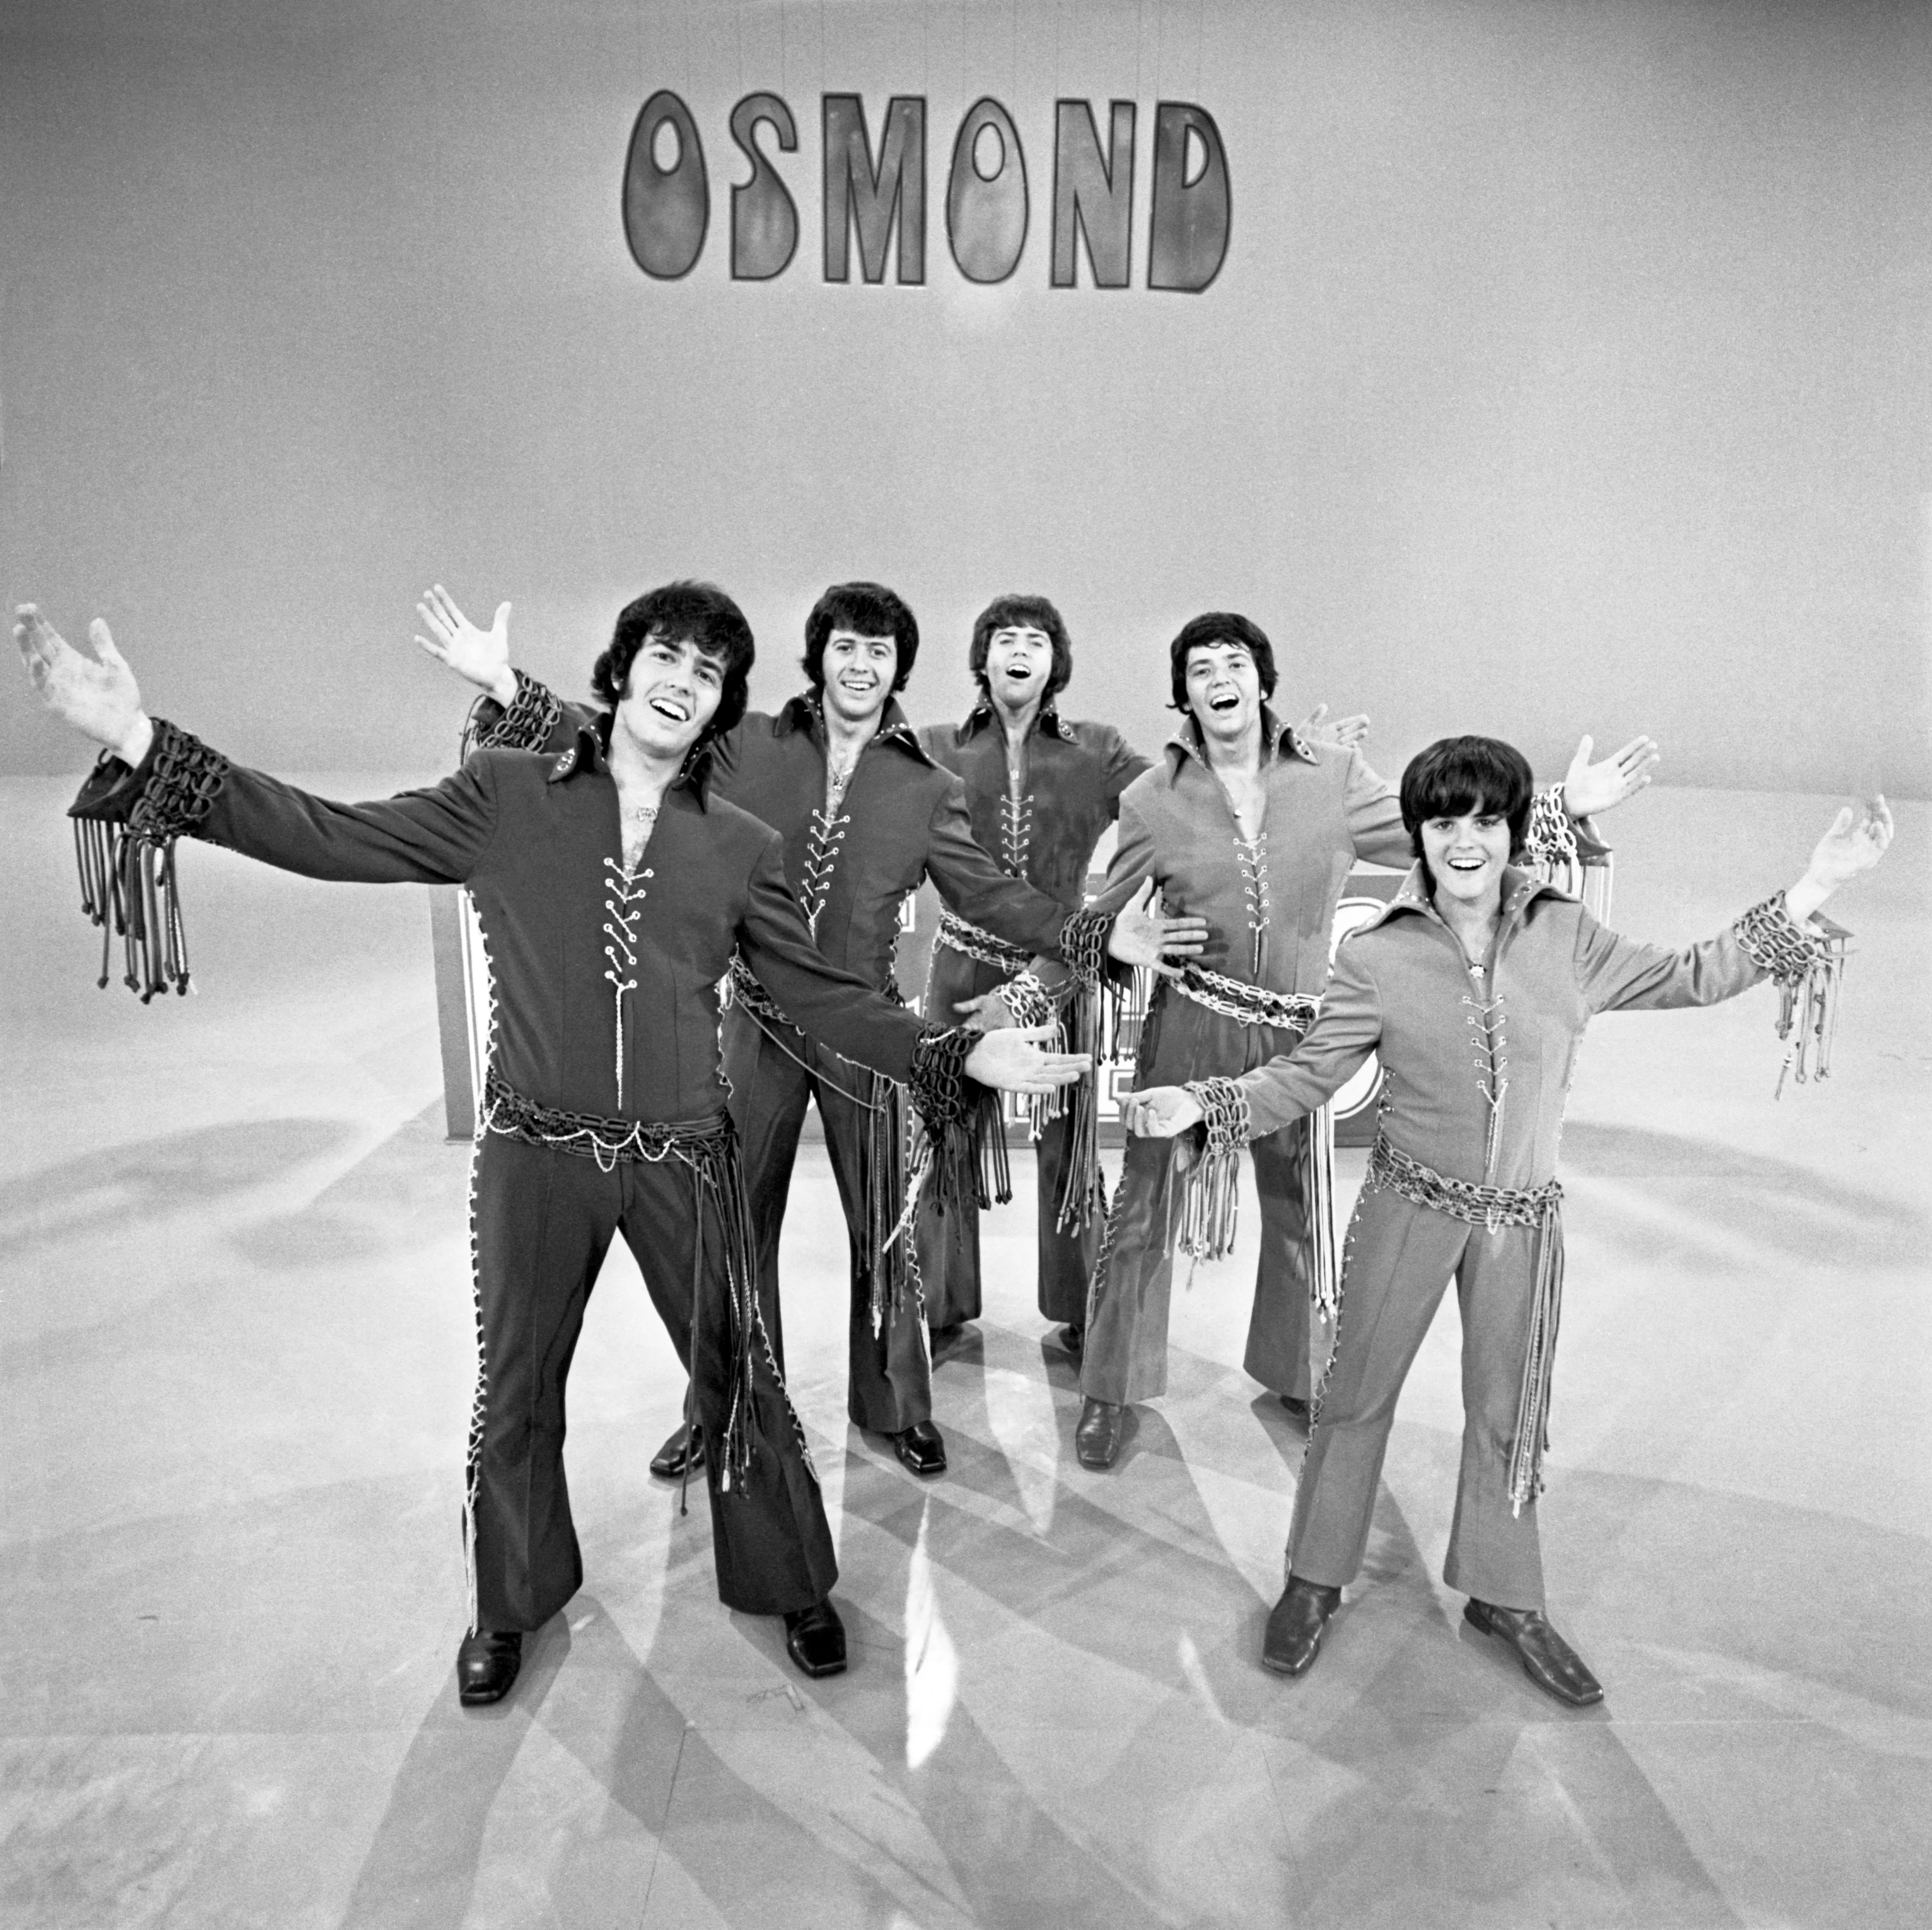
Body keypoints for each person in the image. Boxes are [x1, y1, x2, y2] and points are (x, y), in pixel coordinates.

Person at [16, 588, 1089, 1703]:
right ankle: (512, 1603)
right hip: (535, 1156)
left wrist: (951, 1055)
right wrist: (141, 741)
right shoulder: (507, 794)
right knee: (517, 1390)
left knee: (742, 1372)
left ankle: (791, 1578)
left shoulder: (737, 843)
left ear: (723, 705)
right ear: (623, 669)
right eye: (667, 656)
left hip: (686, 1156)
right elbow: (334, 836)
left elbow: (817, 993)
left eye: (711, 672)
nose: (684, 680)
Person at [1126, 735, 1889, 1703]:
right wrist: (1207, 1104)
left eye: (1484, 818)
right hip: (1408, 1208)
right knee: (1352, 1398)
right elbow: (1307, 1073)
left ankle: (1503, 1594)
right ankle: (1314, 1578)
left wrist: (1814, 883)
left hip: (1521, 1224)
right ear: (1418, 833)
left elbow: (1695, 972)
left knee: (1504, 1414)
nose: (1464, 839)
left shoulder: (1564, 935)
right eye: (1443, 820)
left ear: (1511, 829)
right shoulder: (1374, 955)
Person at [418, 584, 1202, 1483]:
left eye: (877, 651)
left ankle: (895, 1404)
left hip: (863, 1028)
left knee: (882, 1225)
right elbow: (622, 736)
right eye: (844, 647)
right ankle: (725, 1404)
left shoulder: (924, 785)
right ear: (818, 656)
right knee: (732, 1228)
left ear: (896, 667)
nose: (859, 665)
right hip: (752, 1023)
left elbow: (990, 894)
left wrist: (1093, 936)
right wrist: (512, 689)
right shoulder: (748, 743)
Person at [1070, 613, 1658, 1470]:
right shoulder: (1148, 800)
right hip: (1188, 1028)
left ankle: (1296, 1369)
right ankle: (1109, 1388)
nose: (1217, 676)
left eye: (1232, 661)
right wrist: (1115, 943)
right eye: (1198, 667)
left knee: (1298, 1210)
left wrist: (1563, 805)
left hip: (1297, 1035)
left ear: (1261, 681)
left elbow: (1443, 833)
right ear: (1182, 694)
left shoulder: (1335, 778)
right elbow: (1103, 924)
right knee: (1143, 1211)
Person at [912, 594, 1365, 1352]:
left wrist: (1286, 766)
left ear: (1057, 662)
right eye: (1004, 638)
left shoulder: (1097, 749)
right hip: (960, 964)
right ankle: (937, 1306)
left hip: (1069, 964)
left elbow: (1194, 790)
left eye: (1036, 640)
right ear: (981, 658)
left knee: (1069, 1139)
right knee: (940, 1129)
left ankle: (1081, 1311)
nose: (1020, 650)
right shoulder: (932, 747)